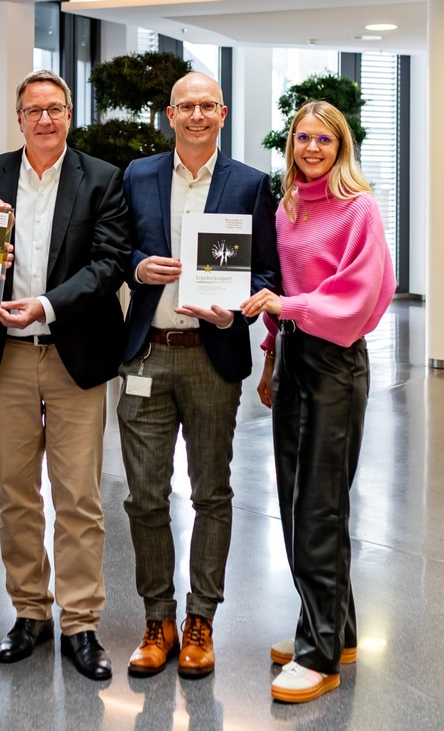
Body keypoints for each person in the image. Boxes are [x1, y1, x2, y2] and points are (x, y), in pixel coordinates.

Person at [0, 70, 131, 681]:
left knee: (79, 497)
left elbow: (110, 263)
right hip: (4, 355)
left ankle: (81, 622)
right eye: (33, 110)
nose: (44, 120)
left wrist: (46, 305)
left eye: (55, 109)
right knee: (15, 494)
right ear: (19, 118)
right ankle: (30, 613)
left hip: (73, 355)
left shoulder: (102, 179)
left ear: (69, 116)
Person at [117, 71, 280, 679]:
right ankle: (157, 619)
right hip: (148, 353)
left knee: (212, 492)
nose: (196, 115)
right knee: (144, 495)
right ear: (169, 114)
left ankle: (200, 620)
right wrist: (139, 267)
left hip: (213, 356)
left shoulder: (250, 184)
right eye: (185, 106)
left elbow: (268, 271)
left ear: (222, 113)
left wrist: (238, 308)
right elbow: (116, 248)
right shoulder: (138, 176)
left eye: (207, 105)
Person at [241, 100, 396, 703]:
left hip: (336, 360)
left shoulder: (359, 208)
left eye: (324, 140)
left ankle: (319, 656)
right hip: (294, 355)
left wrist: (291, 309)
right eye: (303, 138)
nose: (312, 148)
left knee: (320, 507)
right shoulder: (288, 207)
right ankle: (336, 628)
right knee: (295, 499)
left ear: (341, 147)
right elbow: (279, 289)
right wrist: (272, 356)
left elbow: (362, 294)